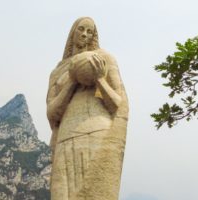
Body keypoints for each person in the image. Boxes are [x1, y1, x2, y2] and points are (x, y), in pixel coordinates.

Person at [46, 17, 129, 200]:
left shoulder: (104, 59)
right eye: (81, 29)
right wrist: (72, 82)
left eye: (89, 31)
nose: (84, 34)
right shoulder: (58, 71)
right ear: (73, 32)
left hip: (98, 131)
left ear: (93, 36)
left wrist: (100, 79)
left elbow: (117, 103)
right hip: (66, 135)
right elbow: (52, 114)